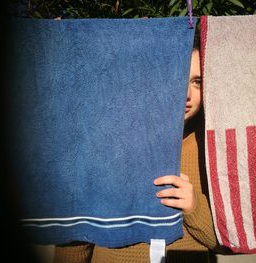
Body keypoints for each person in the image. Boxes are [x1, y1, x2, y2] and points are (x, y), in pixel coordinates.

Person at [53, 44, 217, 263]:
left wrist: (194, 207)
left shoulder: (212, 146)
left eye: (197, 82)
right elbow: (76, 235)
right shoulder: (107, 142)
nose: (186, 94)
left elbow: (223, 242)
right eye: (175, 76)